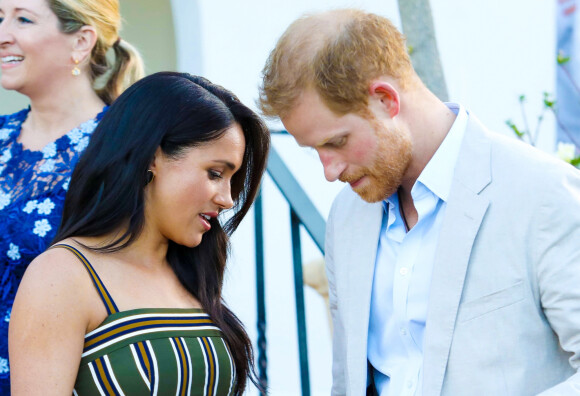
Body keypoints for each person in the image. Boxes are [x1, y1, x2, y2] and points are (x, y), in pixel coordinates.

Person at [259, 8, 580, 396]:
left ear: (385, 100)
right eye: (315, 151)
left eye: (336, 142)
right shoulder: (345, 219)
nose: (329, 171)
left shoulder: (542, 194)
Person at [9, 72, 270, 395]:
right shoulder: (62, 275)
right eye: (215, 173)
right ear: (151, 158)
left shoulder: (191, 271)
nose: (228, 199)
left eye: (231, 179)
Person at [0, 0, 143, 390]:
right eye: (0, 18)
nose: (2, 34)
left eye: (23, 19)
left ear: (81, 41)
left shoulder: (124, 150)